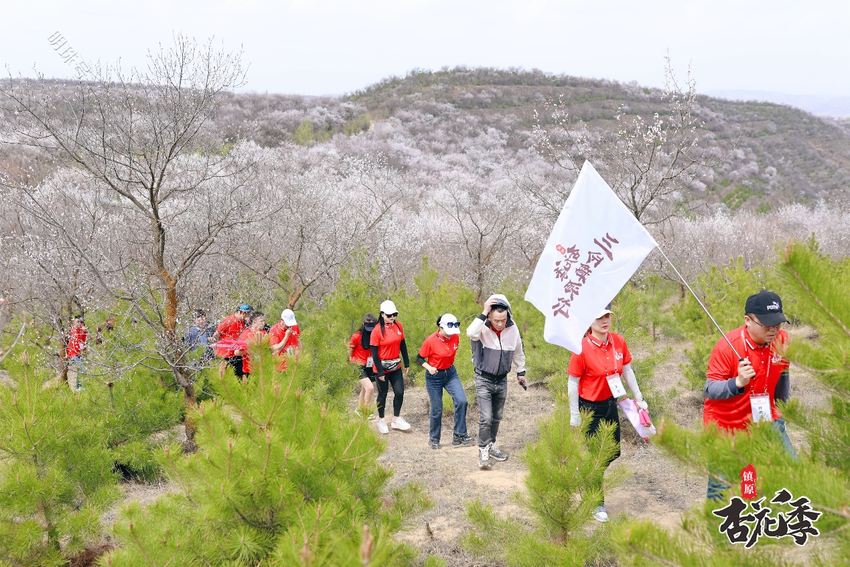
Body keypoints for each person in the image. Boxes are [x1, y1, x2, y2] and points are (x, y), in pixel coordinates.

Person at [704, 291, 794, 500]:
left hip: (765, 418)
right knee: (722, 484)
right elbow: (710, 389)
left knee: (788, 470)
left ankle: (752, 513)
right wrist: (736, 383)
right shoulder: (727, 346)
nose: (773, 330)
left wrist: (781, 412)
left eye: (778, 323)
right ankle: (717, 527)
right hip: (726, 426)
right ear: (748, 320)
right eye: (766, 324)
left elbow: (783, 376)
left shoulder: (783, 340)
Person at [567, 305, 648, 523]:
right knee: (597, 458)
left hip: (611, 404)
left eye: (607, 316)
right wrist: (575, 415)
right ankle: (597, 502)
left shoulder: (618, 341)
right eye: (599, 317)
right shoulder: (581, 347)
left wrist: (639, 397)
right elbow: (572, 383)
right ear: (589, 321)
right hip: (589, 409)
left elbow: (628, 370)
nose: (604, 321)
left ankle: (586, 473)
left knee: (613, 452)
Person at [467, 294, 527, 470]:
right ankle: (483, 450)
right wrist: (484, 312)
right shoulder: (482, 328)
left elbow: (518, 351)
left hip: (502, 380)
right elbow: (470, 333)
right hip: (483, 378)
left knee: (496, 417)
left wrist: (520, 372)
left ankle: (491, 445)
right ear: (489, 316)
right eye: (496, 320)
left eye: (503, 319)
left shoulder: (513, 328)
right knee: (486, 417)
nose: (500, 324)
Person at [418, 313, 474, 450]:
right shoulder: (430, 340)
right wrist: (429, 367)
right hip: (434, 376)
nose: (450, 335)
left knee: (462, 401)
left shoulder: (455, 337)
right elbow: (419, 358)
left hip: (450, 374)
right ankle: (434, 439)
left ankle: (459, 435)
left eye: (452, 332)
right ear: (440, 327)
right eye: (448, 332)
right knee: (437, 409)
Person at [370, 300, 411, 434]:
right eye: (389, 315)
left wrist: (407, 362)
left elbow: (403, 345)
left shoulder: (398, 326)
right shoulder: (376, 331)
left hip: (396, 366)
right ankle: (381, 419)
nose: (392, 317)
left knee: (399, 392)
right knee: (383, 394)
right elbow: (374, 353)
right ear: (382, 314)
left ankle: (396, 419)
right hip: (381, 368)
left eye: (394, 314)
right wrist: (380, 372)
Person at [349, 313, 378, 419]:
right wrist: (348, 365)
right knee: (370, 388)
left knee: (365, 389)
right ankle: (366, 411)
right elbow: (349, 351)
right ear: (363, 324)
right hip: (357, 366)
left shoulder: (374, 335)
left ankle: (359, 409)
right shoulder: (357, 336)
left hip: (369, 365)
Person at [213, 304, 252, 379]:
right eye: (248, 314)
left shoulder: (241, 322)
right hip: (225, 356)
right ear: (243, 313)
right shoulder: (228, 320)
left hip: (236, 354)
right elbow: (216, 334)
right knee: (226, 379)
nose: (248, 316)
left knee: (241, 377)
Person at [234, 311, 267, 379]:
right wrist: (250, 348)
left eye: (264, 321)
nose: (263, 323)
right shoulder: (245, 335)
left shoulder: (264, 334)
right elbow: (236, 352)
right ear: (254, 321)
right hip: (249, 370)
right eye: (261, 321)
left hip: (263, 368)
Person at [65, 315, 87, 391]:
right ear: (74, 322)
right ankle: (79, 386)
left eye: (81, 322)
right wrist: (66, 353)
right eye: (78, 321)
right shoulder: (72, 329)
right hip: (73, 353)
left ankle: (80, 386)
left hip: (79, 353)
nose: (79, 323)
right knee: (81, 368)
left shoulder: (82, 330)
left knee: (81, 369)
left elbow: (83, 341)